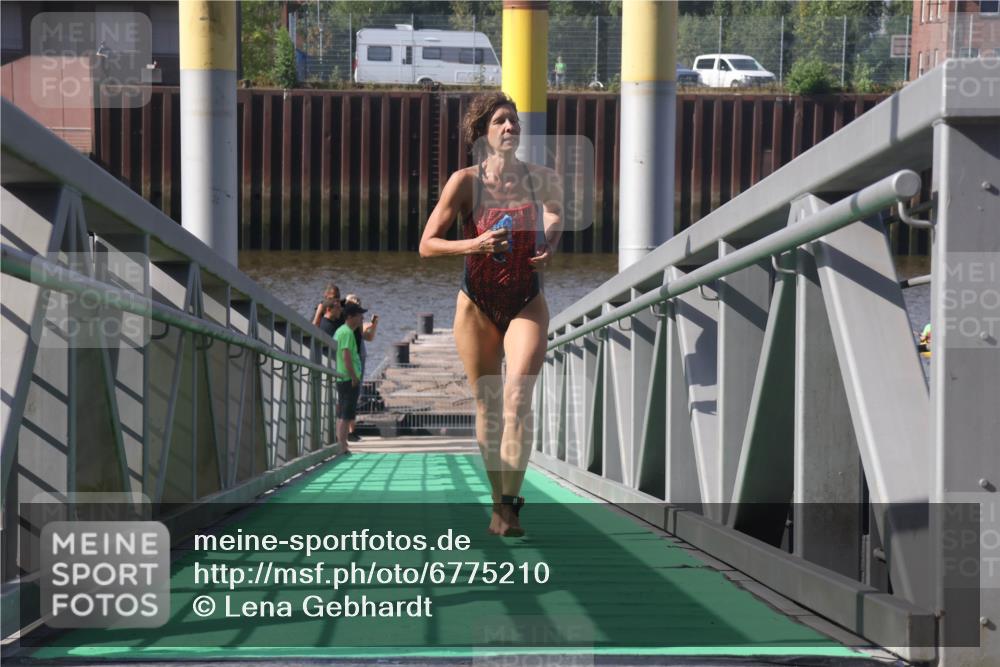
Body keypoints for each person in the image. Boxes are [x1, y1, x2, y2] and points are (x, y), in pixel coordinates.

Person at [419, 91, 562, 537]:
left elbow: (555, 211)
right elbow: (426, 245)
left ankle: (511, 507)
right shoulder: (465, 183)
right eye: (500, 121)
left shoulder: (541, 178)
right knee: (489, 404)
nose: (510, 128)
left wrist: (550, 242)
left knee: (518, 398)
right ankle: (497, 500)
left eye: (514, 121)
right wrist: (474, 244)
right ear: (483, 133)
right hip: (477, 303)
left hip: (526, 299)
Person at [344, 294, 379, 441]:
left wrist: (374, 325)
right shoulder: (346, 322)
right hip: (351, 359)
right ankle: (347, 431)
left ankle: (352, 430)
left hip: (361, 358)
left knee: (356, 393)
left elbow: (369, 337)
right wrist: (364, 325)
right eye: (356, 304)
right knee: (348, 394)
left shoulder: (359, 322)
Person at [334, 302, 367, 455]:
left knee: (343, 412)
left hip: (344, 377)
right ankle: (341, 445)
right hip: (348, 378)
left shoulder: (343, 331)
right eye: (359, 315)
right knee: (346, 414)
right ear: (350, 316)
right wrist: (354, 376)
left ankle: (342, 443)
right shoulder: (346, 333)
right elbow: (346, 357)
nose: (362, 318)